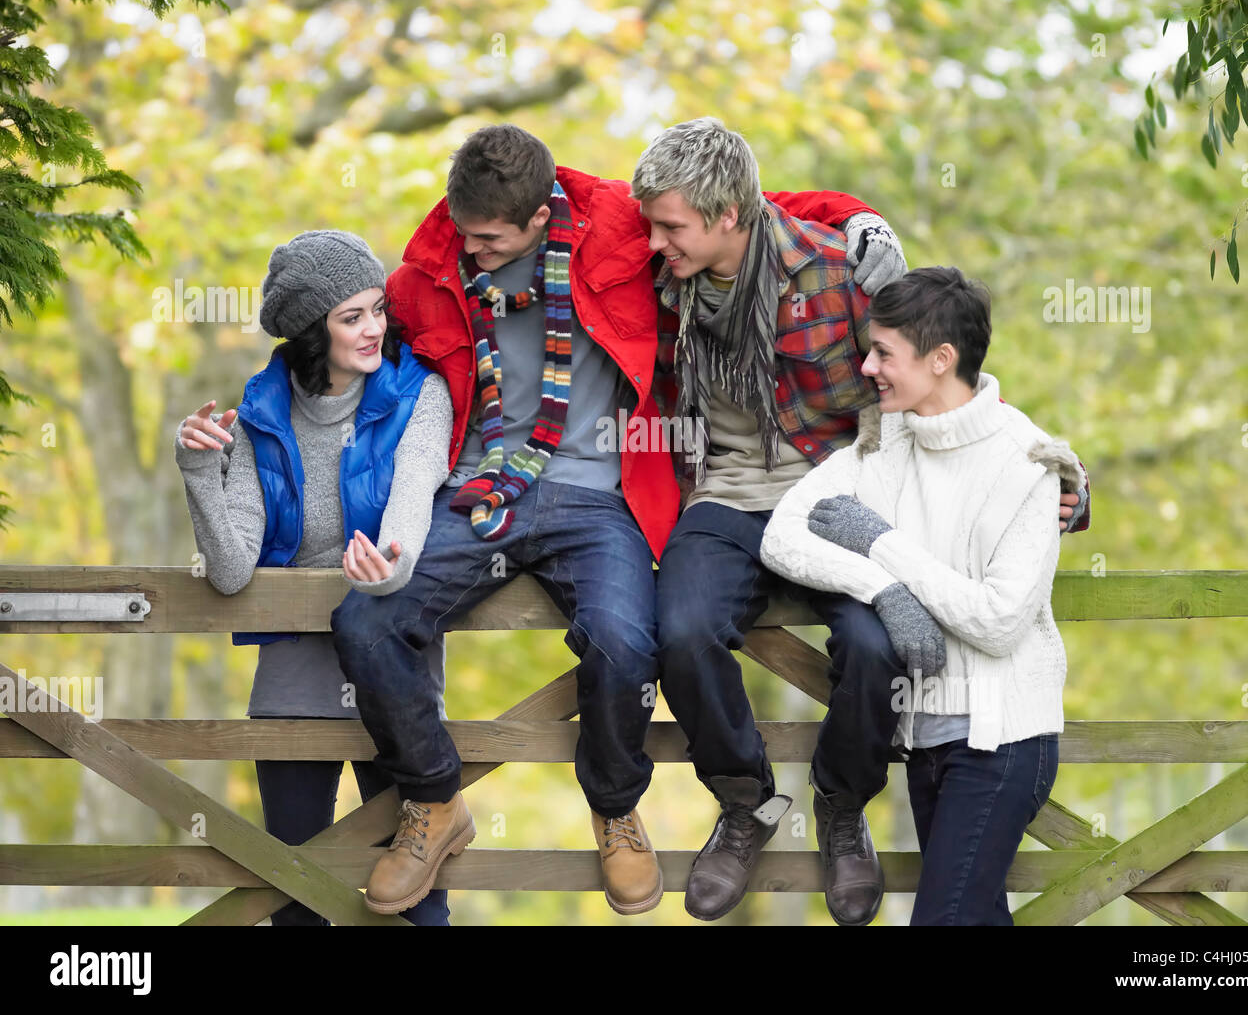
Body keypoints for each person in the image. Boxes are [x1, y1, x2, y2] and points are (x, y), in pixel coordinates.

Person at [328, 122, 906, 917]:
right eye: (464, 232)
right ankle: (434, 798)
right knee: (363, 624)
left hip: (608, 494)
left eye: (489, 238)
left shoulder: (620, 228)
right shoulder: (431, 270)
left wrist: (863, 217)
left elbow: (758, 210)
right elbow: (338, 335)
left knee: (632, 640)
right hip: (483, 488)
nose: (474, 249)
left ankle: (630, 805)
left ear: (538, 216)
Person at [632, 118, 1090, 925]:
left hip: (844, 498)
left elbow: (937, 368)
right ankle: (744, 803)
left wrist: (1046, 475)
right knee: (683, 627)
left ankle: (843, 808)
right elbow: (549, 195)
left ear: (729, 214)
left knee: (879, 648)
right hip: (730, 492)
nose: (655, 237)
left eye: (670, 225)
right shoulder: (659, 275)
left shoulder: (842, 273)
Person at [761, 266, 1083, 925]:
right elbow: (782, 534)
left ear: (940, 360)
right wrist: (881, 589)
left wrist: (881, 544)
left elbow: (997, 621)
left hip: (1002, 742)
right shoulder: (883, 439)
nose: (868, 365)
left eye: (884, 352)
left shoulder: (1030, 461)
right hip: (923, 740)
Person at [175, 230, 454, 926]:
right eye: (350, 316)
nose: (374, 329)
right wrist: (198, 474)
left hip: (392, 666)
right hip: (293, 673)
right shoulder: (260, 413)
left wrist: (388, 568)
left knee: (417, 900)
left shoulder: (421, 391)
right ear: (309, 328)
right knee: (294, 895)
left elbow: (413, 498)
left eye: (376, 310)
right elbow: (234, 572)